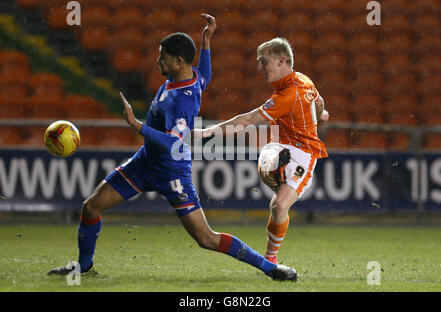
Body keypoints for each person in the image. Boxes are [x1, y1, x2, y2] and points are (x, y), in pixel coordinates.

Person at [48, 15, 297, 281]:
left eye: (163, 57)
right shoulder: (190, 79)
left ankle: (271, 268)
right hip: (145, 162)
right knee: (91, 207)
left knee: (206, 238)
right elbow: (206, 74)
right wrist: (207, 40)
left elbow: (175, 143)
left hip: (171, 170)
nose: (158, 61)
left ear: (179, 62)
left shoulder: (182, 100)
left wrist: (138, 125)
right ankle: (83, 267)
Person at [194, 37, 328, 265]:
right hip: (279, 145)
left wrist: (209, 131)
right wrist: (320, 116)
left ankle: (270, 256)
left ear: (281, 61)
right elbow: (320, 102)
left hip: (305, 153)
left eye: (264, 62)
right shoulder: (302, 81)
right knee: (270, 158)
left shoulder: (288, 95)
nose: (259, 68)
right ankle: (274, 169)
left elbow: (248, 119)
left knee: (278, 206)